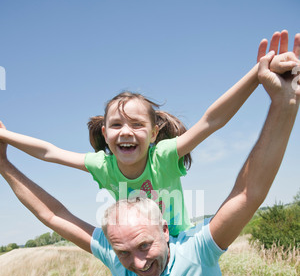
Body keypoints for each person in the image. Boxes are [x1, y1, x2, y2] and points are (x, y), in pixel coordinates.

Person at [0, 34, 299, 276]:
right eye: (125, 253)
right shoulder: (111, 234)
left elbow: (235, 164)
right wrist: (4, 156)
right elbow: (52, 205)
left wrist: (274, 94)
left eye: (143, 247)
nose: (137, 264)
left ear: (155, 131)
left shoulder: (193, 245)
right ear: (104, 133)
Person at [1, 31, 299, 237]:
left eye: (137, 125)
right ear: (105, 134)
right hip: (137, 245)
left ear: (155, 133)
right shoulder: (103, 166)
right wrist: (6, 136)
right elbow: (49, 152)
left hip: (179, 242)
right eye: (116, 125)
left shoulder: (165, 156)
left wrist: (255, 76)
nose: (126, 132)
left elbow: (212, 120)